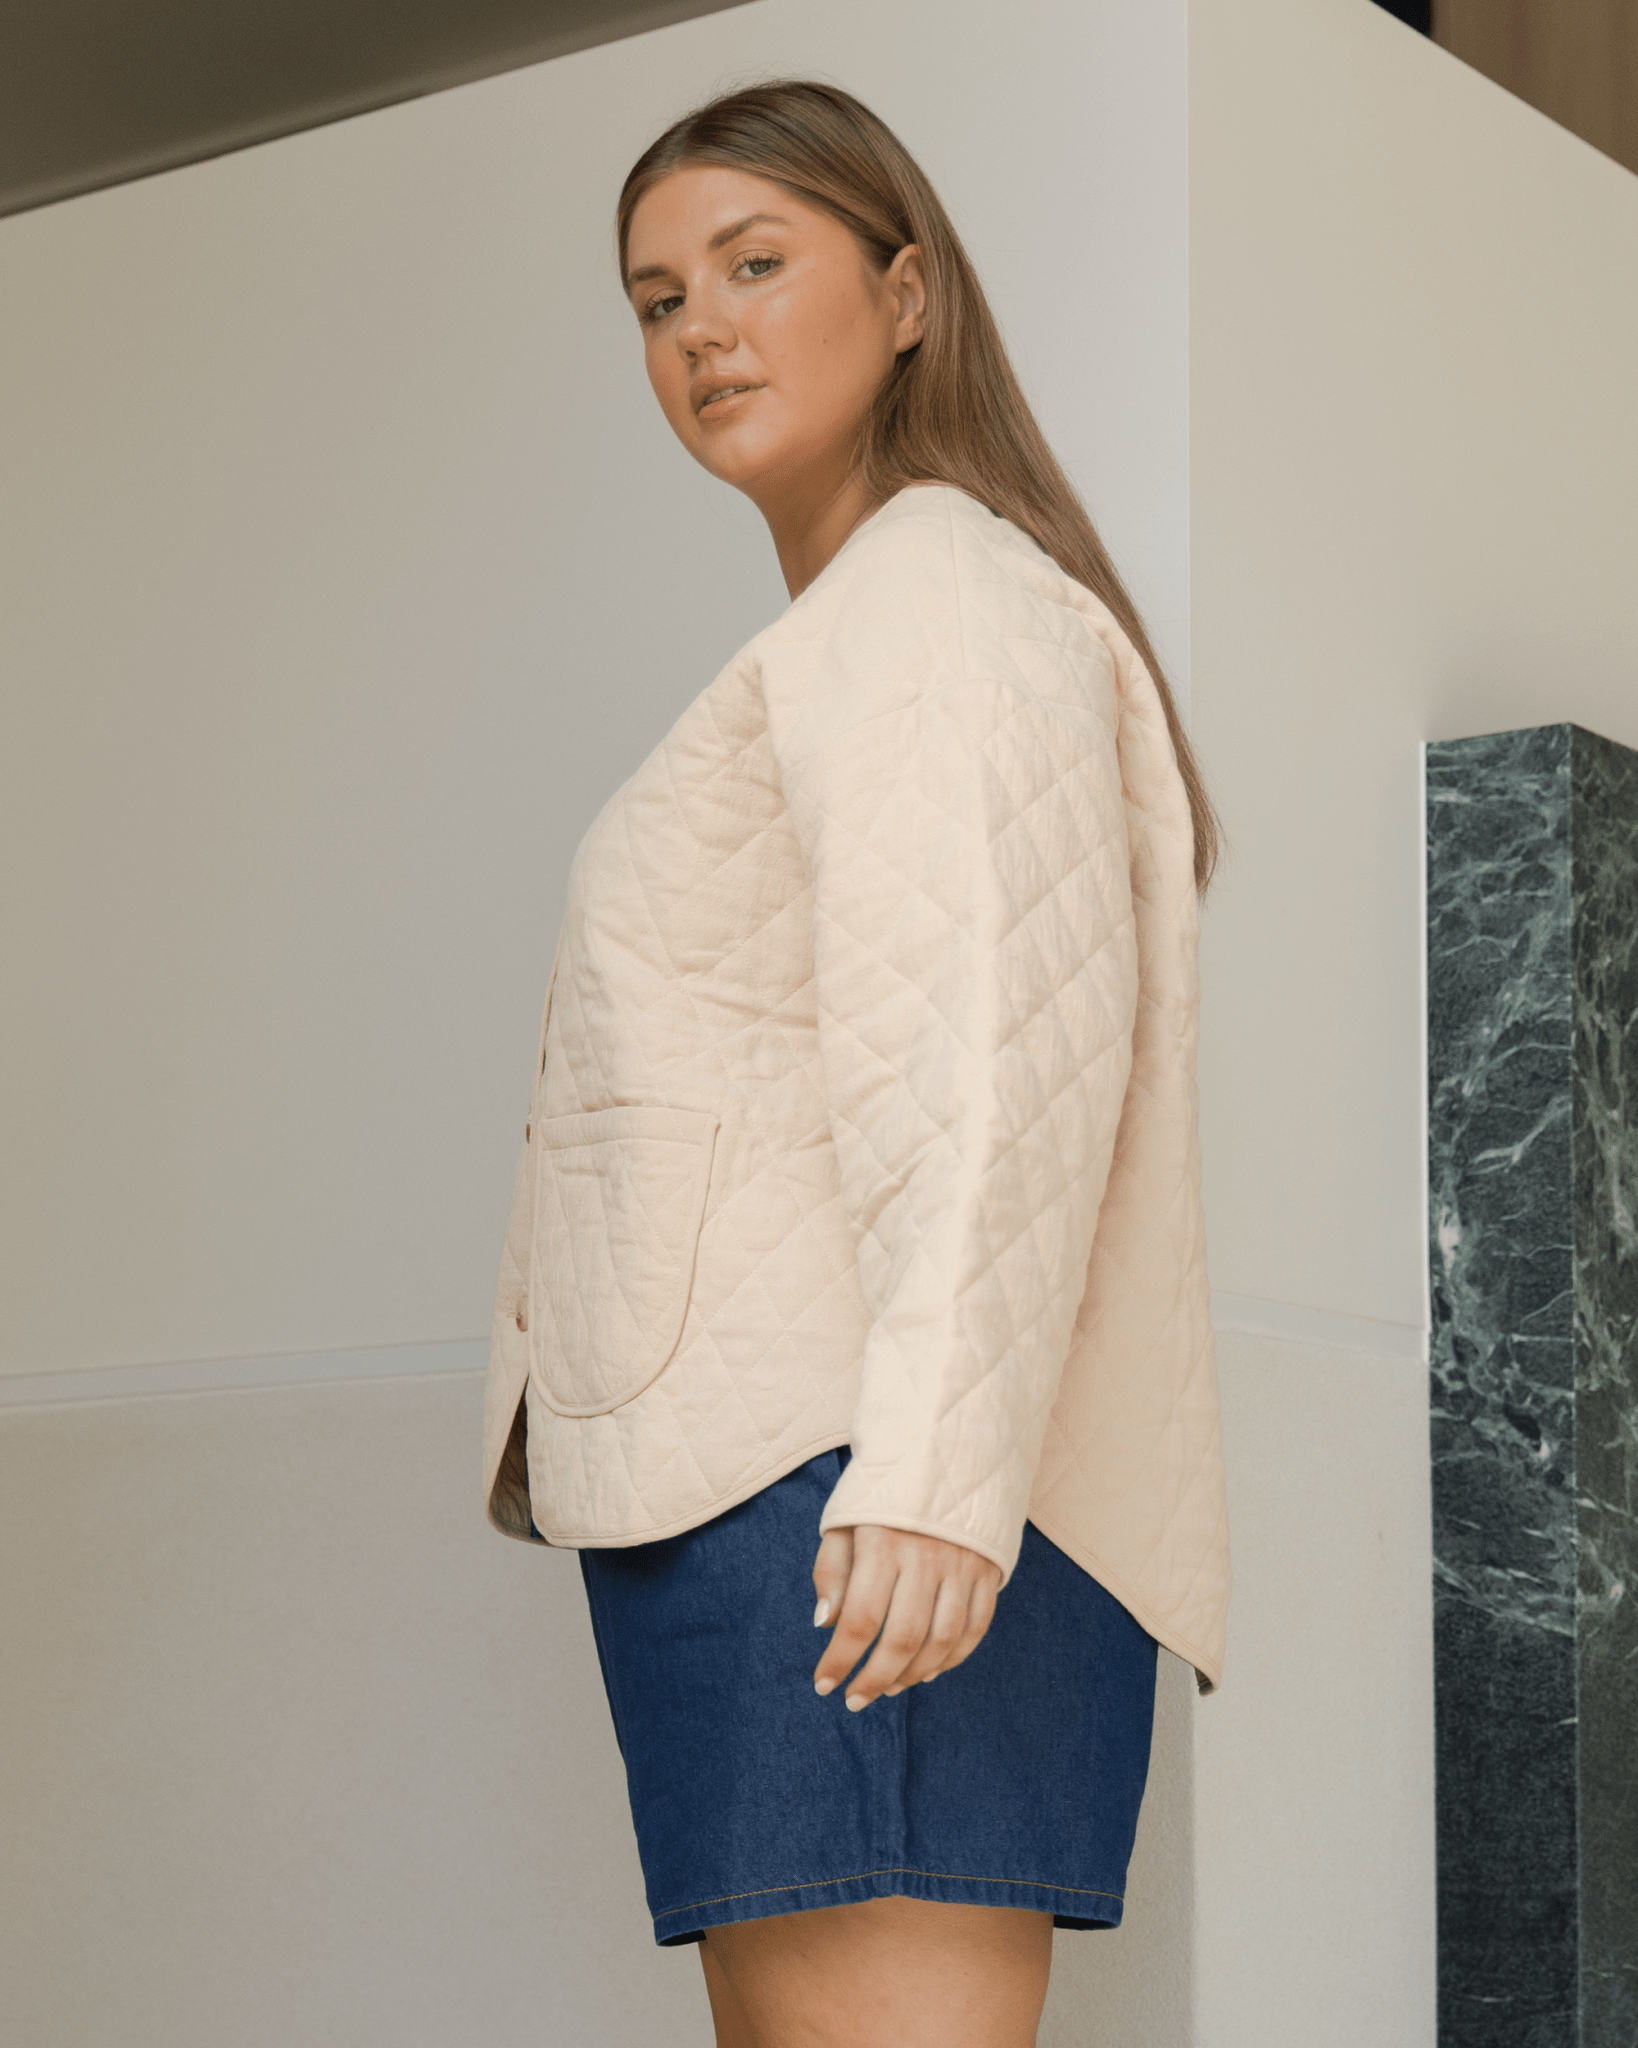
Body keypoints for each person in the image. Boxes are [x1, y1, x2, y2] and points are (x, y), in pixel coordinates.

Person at [481, 78, 1231, 2048]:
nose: (701, 331)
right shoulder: (872, 621)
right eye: (657, 300)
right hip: (796, 1488)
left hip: (856, 1498)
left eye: (754, 265)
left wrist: (932, 1481)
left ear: (906, 296)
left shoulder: (938, 600)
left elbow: (987, 1063)